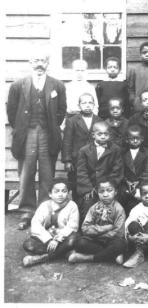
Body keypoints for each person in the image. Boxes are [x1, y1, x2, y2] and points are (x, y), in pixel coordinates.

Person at [7, 49, 67, 230]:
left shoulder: (57, 85)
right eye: (36, 60)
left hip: (48, 133)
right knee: (27, 172)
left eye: (43, 60)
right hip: (27, 133)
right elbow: (11, 111)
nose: (40, 64)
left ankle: (45, 209)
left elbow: (61, 111)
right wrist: (22, 128)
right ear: (30, 62)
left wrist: (51, 127)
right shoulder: (18, 85)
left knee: (47, 173)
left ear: (48, 63)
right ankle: (27, 210)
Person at [22, 178, 79, 267]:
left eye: (64, 191)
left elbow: (72, 226)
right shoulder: (45, 205)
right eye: (56, 191)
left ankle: (41, 258)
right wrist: (48, 239)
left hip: (63, 238)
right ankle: (63, 252)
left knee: (73, 240)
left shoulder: (72, 206)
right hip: (47, 238)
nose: (60, 194)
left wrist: (57, 239)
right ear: (50, 194)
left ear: (68, 193)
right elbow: (36, 224)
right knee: (28, 244)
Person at [68, 179, 127, 264]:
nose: (105, 194)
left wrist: (105, 235)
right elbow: (85, 228)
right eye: (101, 191)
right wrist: (104, 228)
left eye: (109, 191)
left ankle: (87, 258)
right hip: (96, 240)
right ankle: (113, 254)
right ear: (97, 193)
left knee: (120, 245)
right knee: (80, 243)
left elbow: (119, 232)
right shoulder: (94, 208)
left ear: (116, 192)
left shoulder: (119, 209)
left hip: (112, 240)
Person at [76, 121, 124, 221]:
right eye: (99, 134)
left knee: (111, 210)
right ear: (93, 135)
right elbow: (82, 172)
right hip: (90, 188)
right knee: (87, 205)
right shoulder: (84, 150)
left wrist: (108, 187)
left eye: (105, 134)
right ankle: (88, 232)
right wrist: (88, 189)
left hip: (108, 188)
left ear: (109, 135)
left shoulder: (115, 150)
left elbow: (117, 170)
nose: (103, 137)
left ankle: (108, 231)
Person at [62, 93, 101, 198]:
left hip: (94, 158)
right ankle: (78, 208)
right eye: (84, 103)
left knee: (92, 182)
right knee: (76, 184)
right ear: (79, 106)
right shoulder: (72, 121)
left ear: (94, 105)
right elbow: (67, 141)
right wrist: (67, 160)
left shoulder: (99, 120)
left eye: (90, 103)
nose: (87, 105)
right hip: (77, 159)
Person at [118, 125, 148, 215]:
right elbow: (119, 170)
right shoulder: (122, 152)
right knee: (121, 196)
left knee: (137, 201)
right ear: (127, 140)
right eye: (132, 138)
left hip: (140, 183)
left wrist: (138, 182)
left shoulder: (147, 153)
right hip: (125, 183)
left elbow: (147, 171)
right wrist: (127, 181)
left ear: (142, 139)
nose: (135, 141)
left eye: (138, 138)